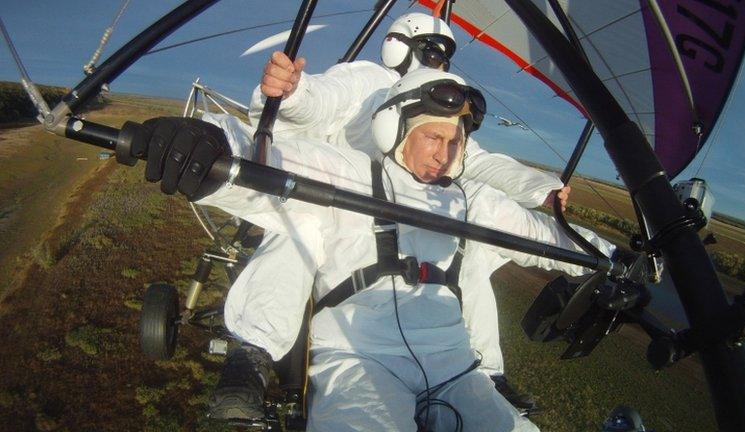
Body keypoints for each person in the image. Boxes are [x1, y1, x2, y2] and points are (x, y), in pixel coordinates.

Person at [127, 68, 615, 431]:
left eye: (454, 141)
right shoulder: (350, 176)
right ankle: (252, 350)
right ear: (396, 130)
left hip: (455, 363)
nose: (442, 153)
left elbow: (550, 238)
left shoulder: (473, 201)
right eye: (431, 136)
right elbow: (267, 162)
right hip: (359, 358)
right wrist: (207, 140)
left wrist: (618, 263)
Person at [220, 12, 569, 418]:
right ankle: (255, 349)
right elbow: (320, 101)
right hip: (339, 197)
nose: (437, 61)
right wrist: (293, 93)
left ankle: (486, 372)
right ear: (400, 44)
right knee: (300, 228)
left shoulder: (434, 101)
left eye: (443, 55)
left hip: (408, 211)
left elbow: (477, 159)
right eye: (431, 51)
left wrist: (537, 187)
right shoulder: (367, 79)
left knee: (464, 249)